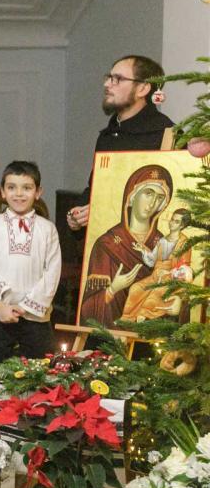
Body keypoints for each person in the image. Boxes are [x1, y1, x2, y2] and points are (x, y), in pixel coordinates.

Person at [67, 55, 173, 233]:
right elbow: (96, 188)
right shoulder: (108, 135)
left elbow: (170, 201)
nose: (107, 84)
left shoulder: (166, 134)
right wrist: (77, 216)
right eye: (109, 77)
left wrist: (103, 211)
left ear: (143, 88)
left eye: (118, 79)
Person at [0, 161, 61, 367]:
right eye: (12, 187)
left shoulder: (47, 229)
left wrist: (25, 307)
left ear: (38, 192)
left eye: (27, 188)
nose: (19, 194)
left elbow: (52, 273)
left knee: (40, 371)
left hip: (35, 316)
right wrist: (0, 305)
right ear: (3, 192)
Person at [78, 163, 172, 327]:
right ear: (132, 196)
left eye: (159, 198)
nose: (152, 203)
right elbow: (88, 312)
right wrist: (112, 289)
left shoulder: (166, 244)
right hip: (110, 337)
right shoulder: (106, 245)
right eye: (148, 193)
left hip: (150, 337)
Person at [122, 208, 193, 322]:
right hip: (156, 276)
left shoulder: (185, 243)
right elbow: (152, 260)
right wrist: (142, 250)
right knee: (136, 288)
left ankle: (142, 316)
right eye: (172, 219)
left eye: (176, 221)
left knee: (155, 293)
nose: (171, 223)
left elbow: (184, 270)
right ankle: (128, 318)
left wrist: (169, 273)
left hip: (172, 280)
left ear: (182, 225)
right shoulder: (163, 240)